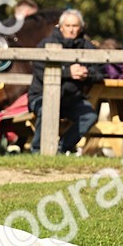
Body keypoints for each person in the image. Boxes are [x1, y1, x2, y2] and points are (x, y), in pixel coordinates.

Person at [27, 9, 103, 154]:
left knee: (90, 116)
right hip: (41, 96)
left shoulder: (88, 47)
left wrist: (86, 74)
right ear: (61, 27)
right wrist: (68, 72)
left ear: (81, 27)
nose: (71, 30)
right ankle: (37, 150)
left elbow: (100, 73)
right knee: (46, 108)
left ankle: (62, 148)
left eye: (75, 26)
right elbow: (41, 72)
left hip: (72, 99)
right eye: (68, 26)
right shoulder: (46, 44)